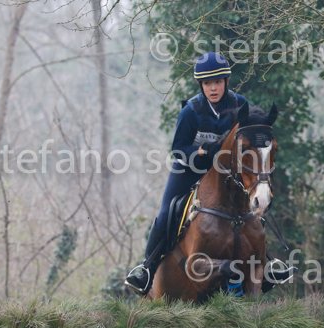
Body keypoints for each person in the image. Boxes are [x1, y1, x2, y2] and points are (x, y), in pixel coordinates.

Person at [125, 51, 295, 294]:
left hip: (226, 173)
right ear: (201, 85)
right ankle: (147, 269)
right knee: (167, 212)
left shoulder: (239, 105)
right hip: (190, 169)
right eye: (207, 83)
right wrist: (203, 152)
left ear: (226, 82)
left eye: (217, 82)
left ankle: (267, 264)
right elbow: (178, 149)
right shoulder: (191, 111)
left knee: (252, 208)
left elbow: (254, 130)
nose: (213, 88)